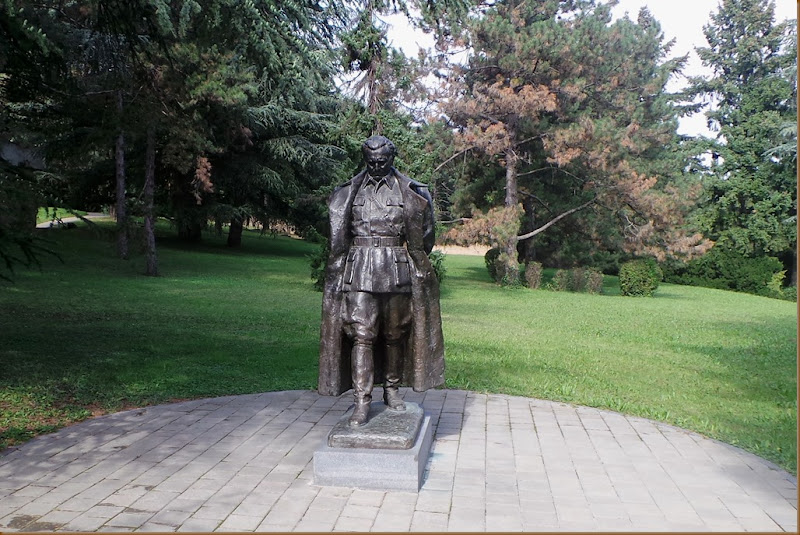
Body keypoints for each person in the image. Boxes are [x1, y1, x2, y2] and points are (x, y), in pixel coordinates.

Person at [318, 135, 445, 427]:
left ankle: (391, 389)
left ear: (392, 159)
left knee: (394, 333)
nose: (376, 166)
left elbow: (426, 236)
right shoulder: (348, 190)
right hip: (359, 268)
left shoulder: (413, 191)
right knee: (362, 334)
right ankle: (362, 401)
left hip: (396, 268)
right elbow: (337, 236)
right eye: (371, 162)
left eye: (382, 161)